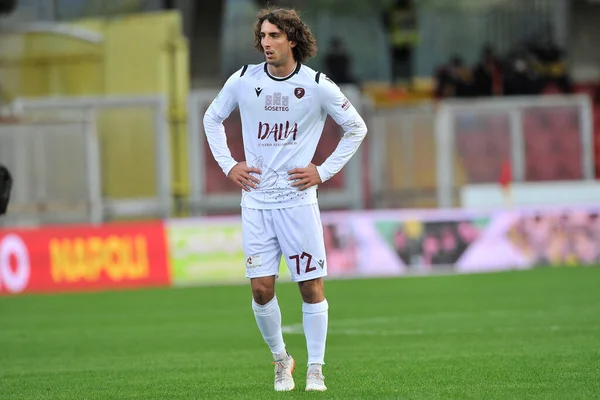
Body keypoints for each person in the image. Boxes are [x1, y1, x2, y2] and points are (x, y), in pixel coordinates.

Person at [202, 6, 368, 393]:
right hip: (257, 204)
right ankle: (281, 360)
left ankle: (316, 369)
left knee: (310, 286)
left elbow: (355, 128)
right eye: (262, 36)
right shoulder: (244, 80)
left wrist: (322, 171)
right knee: (261, 289)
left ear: (292, 39)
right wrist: (229, 165)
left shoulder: (317, 85)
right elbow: (212, 118)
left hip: (297, 203)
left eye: (274, 36)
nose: (266, 43)